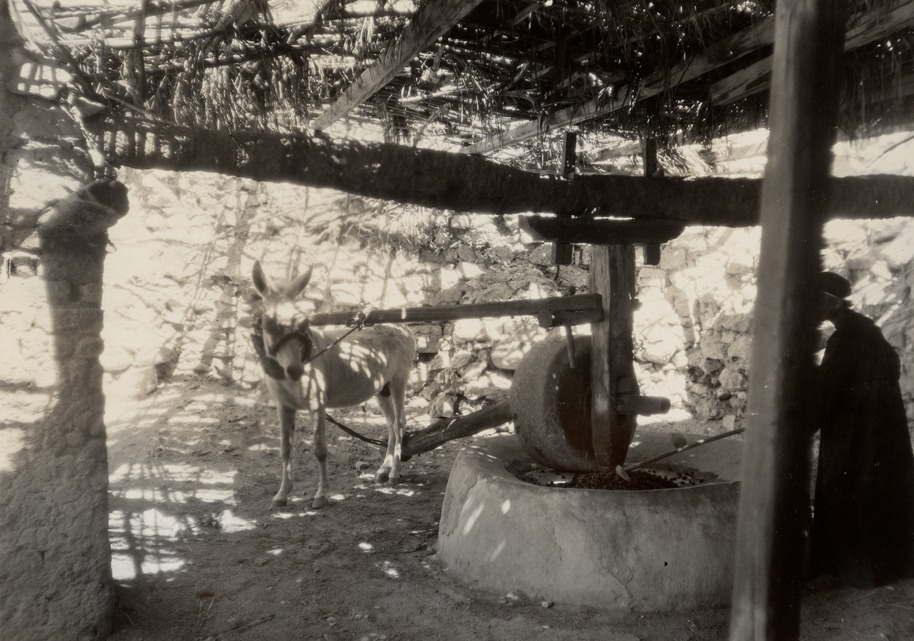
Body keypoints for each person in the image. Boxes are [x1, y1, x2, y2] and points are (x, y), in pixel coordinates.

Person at [808, 271, 914, 588]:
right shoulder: (868, 330)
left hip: (853, 434)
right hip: (881, 433)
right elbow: (891, 367)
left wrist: (801, 420)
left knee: (840, 490)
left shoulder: (846, 338)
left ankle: (840, 571)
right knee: (878, 493)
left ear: (832, 303)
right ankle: (889, 567)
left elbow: (826, 389)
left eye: (816, 300)